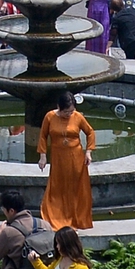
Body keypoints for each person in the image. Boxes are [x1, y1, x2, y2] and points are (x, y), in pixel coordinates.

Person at [37, 88, 97, 232]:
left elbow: (90, 132)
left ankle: (75, 218)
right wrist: (43, 155)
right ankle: (56, 217)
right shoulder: (50, 117)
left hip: (75, 157)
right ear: (59, 107)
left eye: (71, 111)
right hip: (58, 157)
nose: (69, 114)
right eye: (66, 112)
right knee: (57, 187)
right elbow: (43, 135)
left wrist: (88, 152)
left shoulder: (77, 117)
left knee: (75, 188)